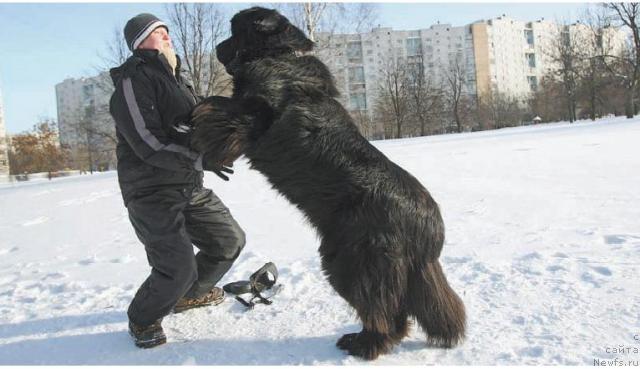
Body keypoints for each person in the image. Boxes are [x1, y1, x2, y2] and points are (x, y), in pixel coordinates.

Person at [109, 13, 246, 349]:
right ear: (140, 42)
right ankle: (142, 318)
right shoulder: (132, 81)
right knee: (177, 266)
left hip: (188, 185)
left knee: (229, 241)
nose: (167, 36)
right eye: (158, 32)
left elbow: (196, 126)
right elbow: (147, 143)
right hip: (151, 191)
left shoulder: (177, 82)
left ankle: (187, 297)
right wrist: (199, 158)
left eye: (167, 31)